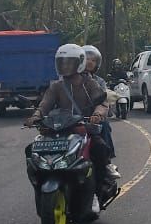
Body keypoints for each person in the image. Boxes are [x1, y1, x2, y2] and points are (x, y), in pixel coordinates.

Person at [26, 43, 118, 203]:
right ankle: (40, 185)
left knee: (99, 147)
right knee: (31, 151)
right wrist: (36, 116)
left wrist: (97, 114)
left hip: (83, 128)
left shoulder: (89, 83)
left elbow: (102, 102)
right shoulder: (56, 86)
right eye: (62, 62)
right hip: (60, 130)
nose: (65, 65)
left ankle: (101, 186)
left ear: (79, 63)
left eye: (69, 62)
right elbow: (45, 104)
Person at [81, 45, 119, 178]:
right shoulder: (66, 80)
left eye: (93, 60)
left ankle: (107, 163)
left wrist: (97, 115)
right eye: (86, 59)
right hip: (70, 120)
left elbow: (104, 101)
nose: (90, 62)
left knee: (105, 126)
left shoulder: (99, 81)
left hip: (92, 119)